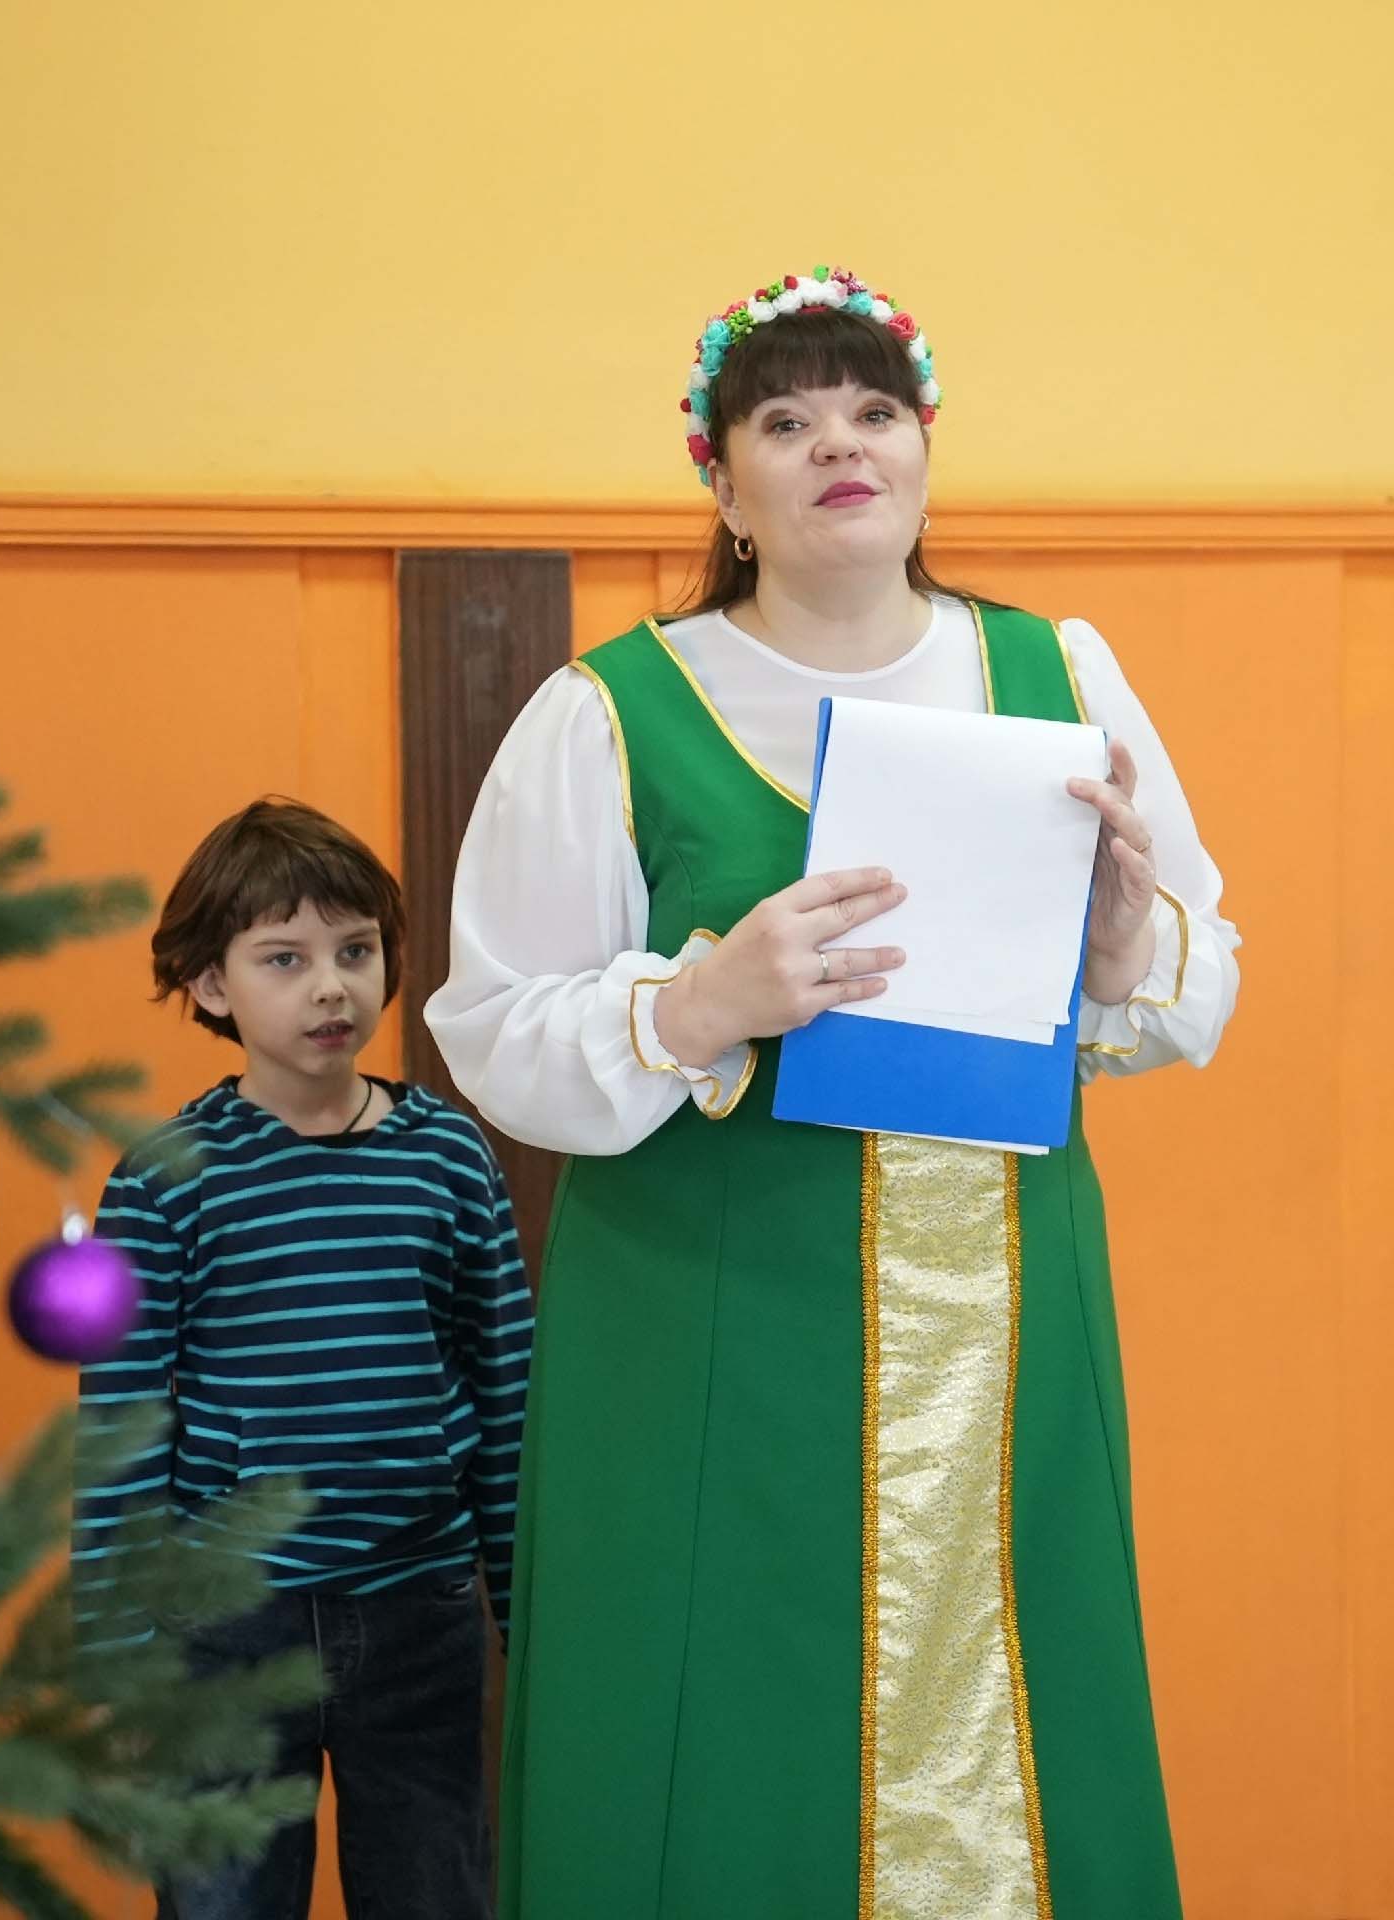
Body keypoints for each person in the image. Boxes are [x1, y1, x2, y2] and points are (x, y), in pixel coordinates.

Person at [426, 265, 1241, 1919]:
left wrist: (1119, 943)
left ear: (926, 450)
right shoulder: (608, 713)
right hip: (708, 1319)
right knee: (715, 1716)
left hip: (1008, 1313)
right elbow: (494, 1027)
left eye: (875, 412)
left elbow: (1191, 967)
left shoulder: (1060, 670)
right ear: (723, 487)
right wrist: (698, 1005)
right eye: (787, 424)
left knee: (1025, 1696)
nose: (840, 446)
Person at [75, 797, 529, 1920]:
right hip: (228, 1629)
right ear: (210, 984)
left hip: (421, 1610)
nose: (331, 986)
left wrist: (527, 1609)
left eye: (355, 951)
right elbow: (121, 1423)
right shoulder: (165, 1175)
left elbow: (506, 1390)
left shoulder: (449, 1156)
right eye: (285, 958)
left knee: (436, 1894)